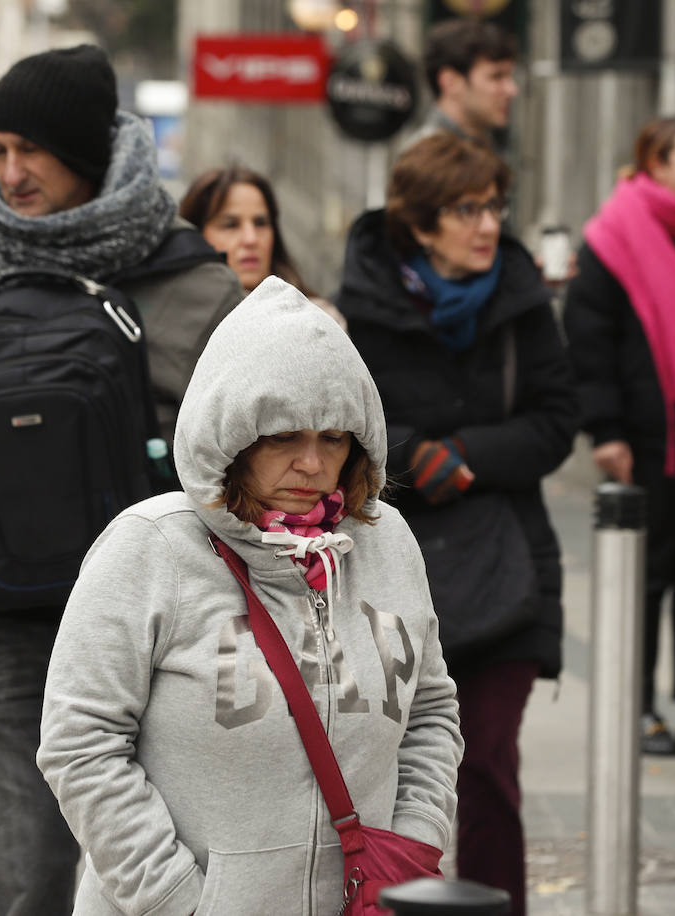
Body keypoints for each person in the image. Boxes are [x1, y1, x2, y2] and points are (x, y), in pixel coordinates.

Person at [0, 45, 243, 915]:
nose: (11, 172)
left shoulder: (194, 284)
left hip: (161, 636)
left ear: (85, 148)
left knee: (157, 882)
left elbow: (245, 454)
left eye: (30, 149)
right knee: (27, 886)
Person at [37, 278, 462, 915]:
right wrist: (179, 903)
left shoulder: (388, 541)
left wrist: (408, 853)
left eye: (334, 437)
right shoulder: (150, 547)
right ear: (231, 439)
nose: (314, 465)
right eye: (282, 437)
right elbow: (81, 743)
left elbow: (430, 712)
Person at [335, 133, 577, 915]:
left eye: (494, 207)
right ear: (421, 223)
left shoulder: (521, 301)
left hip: (509, 565)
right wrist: (416, 458)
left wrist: (468, 455)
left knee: (489, 767)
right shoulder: (365, 306)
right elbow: (348, 425)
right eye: (467, 209)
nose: (486, 224)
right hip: (398, 572)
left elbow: (555, 423)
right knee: (392, 768)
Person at [564, 116, 675, 760]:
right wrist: (606, 429)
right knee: (648, 575)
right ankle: (638, 707)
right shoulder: (615, 234)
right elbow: (590, 339)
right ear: (655, 162)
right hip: (648, 434)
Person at [179, 164, 346, 328]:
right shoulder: (174, 324)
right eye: (230, 225)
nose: (251, 239)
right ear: (196, 236)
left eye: (261, 223)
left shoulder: (319, 322)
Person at [411, 17, 518, 156]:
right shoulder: (429, 160)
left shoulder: (479, 146)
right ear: (451, 82)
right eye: (496, 76)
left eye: (510, 77)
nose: (512, 90)